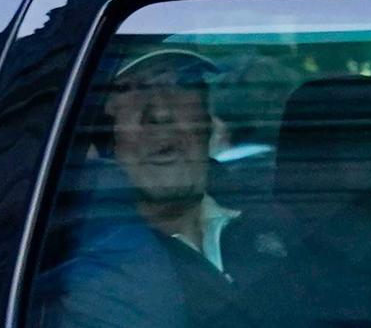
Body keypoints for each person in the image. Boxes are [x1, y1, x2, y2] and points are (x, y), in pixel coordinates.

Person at [30, 50, 317, 328]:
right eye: (130, 88)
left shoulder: (279, 216)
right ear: (101, 133)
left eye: (179, 83)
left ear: (208, 120)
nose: (161, 112)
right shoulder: (76, 260)